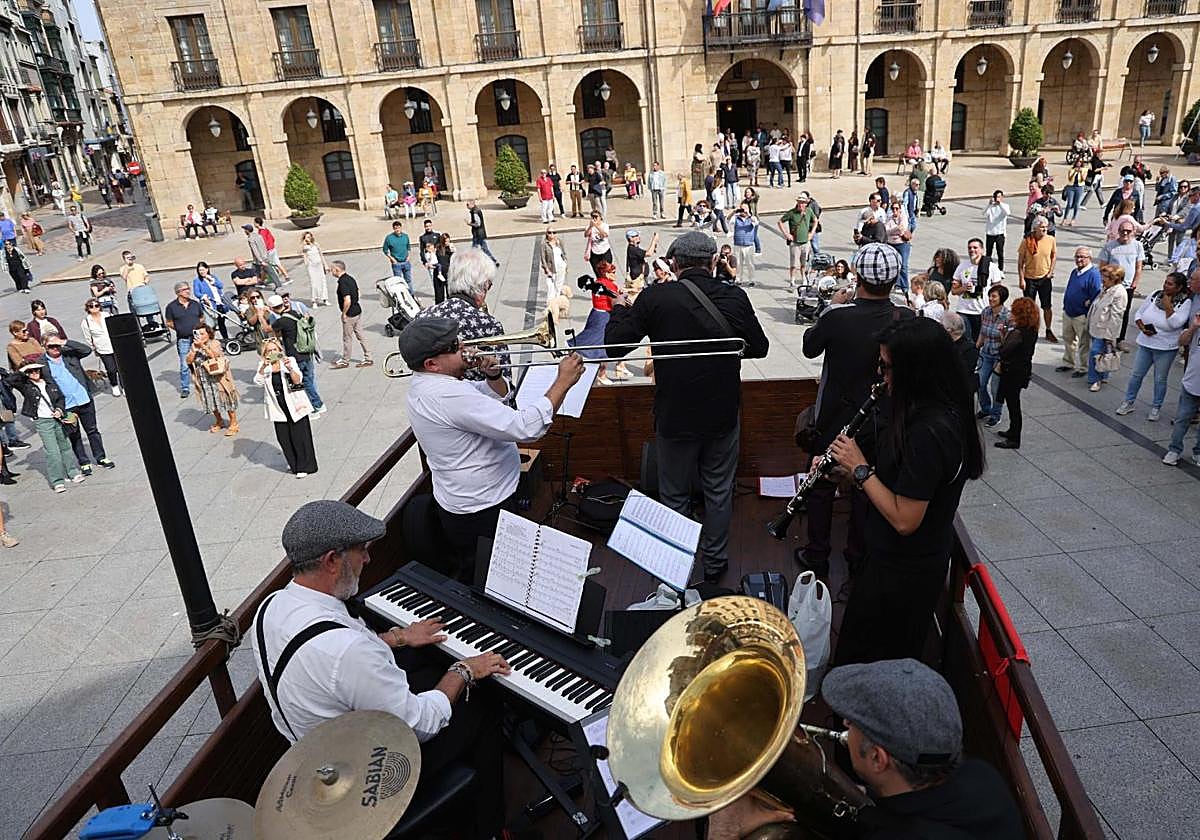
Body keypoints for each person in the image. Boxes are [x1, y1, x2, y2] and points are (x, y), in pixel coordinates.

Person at [251, 500, 510, 839]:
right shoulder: (348, 653)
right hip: (366, 772)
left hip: (319, 751)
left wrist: (399, 637)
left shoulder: (272, 607)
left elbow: (336, 655)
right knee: (482, 705)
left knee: (422, 665)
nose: (368, 560)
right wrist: (461, 670)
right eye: (361, 551)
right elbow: (422, 723)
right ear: (332, 561)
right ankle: (491, 829)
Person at [606, 231, 770, 582]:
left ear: (675, 264)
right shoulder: (734, 296)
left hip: (674, 417)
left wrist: (620, 308)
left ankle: (674, 568)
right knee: (719, 490)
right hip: (722, 415)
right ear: (713, 262)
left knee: (675, 495)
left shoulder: (655, 298)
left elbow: (615, 349)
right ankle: (714, 564)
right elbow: (760, 348)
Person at [709, 658, 1020, 840]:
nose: (846, 723)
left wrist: (722, 834)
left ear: (877, 758)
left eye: (854, 724)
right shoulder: (981, 777)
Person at [829, 317, 984, 662]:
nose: (881, 377)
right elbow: (894, 483)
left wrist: (859, 467)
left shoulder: (930, 432)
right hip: (892, 561)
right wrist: (849, 476)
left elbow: (904, 518)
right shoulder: (924, 412)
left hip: (903, 573)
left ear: (916, 372)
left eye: (886, 367)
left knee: (869, 661)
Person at [402, 317, 583, 576]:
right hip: (483, 508)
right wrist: (563, 382)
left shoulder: (430, 383)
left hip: (474, 501)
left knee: (490, 570)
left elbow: (485, 396)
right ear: (432, 364)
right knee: (493, 576)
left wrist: (493, 375)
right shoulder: (446, 394)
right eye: (454, 346)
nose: (464, 346)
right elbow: (526, 428)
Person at [1115, 271, 1193, 421]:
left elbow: (1175, 324)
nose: (1165, 286)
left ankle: (1156, 407)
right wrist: (1143, 327)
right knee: (1136, 375)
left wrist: (1168, 306)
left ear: (1179, 287)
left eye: (1170, 284)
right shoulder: (1155, 295)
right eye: (1165, 282)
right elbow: (1139, 314)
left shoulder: (1185, 302)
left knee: (1160, 379)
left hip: (1166, 347)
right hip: (1146, 343)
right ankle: (1128, 401)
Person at [39, 333, 115, 473]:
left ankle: (101, 457)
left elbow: (86, 350)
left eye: (57, 345)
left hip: (83, 398)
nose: (56, 348)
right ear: (44, 346)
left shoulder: (69, 354)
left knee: (92, 430)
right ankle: (84, 461)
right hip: (66, 404)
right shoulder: (42, 363)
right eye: (51, 346)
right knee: (74, 434)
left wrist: (64, 341)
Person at [9, 362, 84, 492]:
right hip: (43, 421)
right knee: (52, 452)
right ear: (26, 373)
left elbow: (60, 398)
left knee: (65, 446)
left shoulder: (49, 382)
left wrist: (60, 410)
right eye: (31, 371)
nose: (35, 373)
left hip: (58, 419)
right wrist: (22, 370)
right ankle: (57, 481)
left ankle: (72, 472)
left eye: (37, 370)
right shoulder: (26, 386)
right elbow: (10, 380)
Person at [255, 337, 318, 477]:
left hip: (294, 403)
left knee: (299, 435)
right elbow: (257, 381)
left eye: (274, 350)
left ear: (280, 350)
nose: (272, 352)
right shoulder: (264, 366)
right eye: (269, 351)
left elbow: (298, 380)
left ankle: (304, 466)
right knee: (283, 437)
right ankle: (294, 463)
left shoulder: (290, 361)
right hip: (277, 405)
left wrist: (289, 367)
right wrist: (263, 367)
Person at [991, 297, 1039, 450]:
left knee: (1013, 404)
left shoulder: (1018, 333)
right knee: (1013, 402)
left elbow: (1004, 350)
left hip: (1013, 372)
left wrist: (1003, 336)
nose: (1011, 313)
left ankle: (1014, 438)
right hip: (1022, 370)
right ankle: (1012, 431)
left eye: (1014, 311)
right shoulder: (1031, 330)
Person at [1163, 287, 1200, 465]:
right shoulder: (1197, 323)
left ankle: (1198, 452)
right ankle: (1174, 449)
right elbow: (1182, 341)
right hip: (1192, 380)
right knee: (1183, 418)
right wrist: (1193, 327)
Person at [1055, 247, 1102, 378]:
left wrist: (1088, 304)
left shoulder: (1094, 274)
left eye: (1082, 257)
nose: (1079, 259)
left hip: (1081, 315)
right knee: (1068, 339)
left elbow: (1097, 294)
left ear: (1089, 258)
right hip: (1068, 312)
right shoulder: (1074, 272)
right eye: (1077, 256)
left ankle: (1083, 367)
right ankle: (1068, 362)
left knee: (1083, 343)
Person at [186, 324, 239, 435]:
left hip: (218, 377)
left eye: (203, 333)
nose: (200, 336)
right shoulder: (194, 345)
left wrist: (204, 347)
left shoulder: (215, 343)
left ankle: (234, 423)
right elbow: (189, 361)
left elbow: (216, 356)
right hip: (204, 378)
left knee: (225, 399)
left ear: (209, 334)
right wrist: (194, 350)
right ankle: (219, 420)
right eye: (198, 334)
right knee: (211, 400)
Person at [1097, 218, 1144, 346]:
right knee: (1108, 311)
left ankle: (1120, 339)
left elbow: (1139, 266)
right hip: (1112, 286)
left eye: (1128, 231)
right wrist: (1105, 282)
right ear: (1118, 231)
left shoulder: (1138, 246)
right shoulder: (1110, 246)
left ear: (1133, 232)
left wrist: (1135, 283)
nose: (1125, 233)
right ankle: (1106, 337)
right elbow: (1102, 266)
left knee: (1124, 312)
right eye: (1123, 231)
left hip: (1128, 287)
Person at [1086, 264, 1130, 393]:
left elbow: (1116, 317)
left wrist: (1110, 337)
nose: (1102, 279)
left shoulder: (1119, 293)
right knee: (1104, 354)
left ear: (1115, 278)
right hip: (1097, 328)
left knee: (1096, 354)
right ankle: (1104, 376)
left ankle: (1095, 380)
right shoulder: (1106, 288)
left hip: (1105, 331)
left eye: (1105, 277)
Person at [1016, 217, 1058, 342]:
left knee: (1047, 306)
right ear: (1035, 228)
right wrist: (1021, 279)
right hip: (1030, 279)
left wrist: (1050, 272)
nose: (1045, 229)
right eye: (1042, 227)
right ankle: (1030, 329)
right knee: (1029, 307)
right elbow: (1020, 262)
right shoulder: (1026, 241)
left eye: (1046, 227)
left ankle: (1048, 330)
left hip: (1045, 279)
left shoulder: (1051, 239)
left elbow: (1053, 256)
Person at [975, 285, 1011, 427]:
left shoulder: (1007, 316)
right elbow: (983, 333)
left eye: (994, 296)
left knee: (996, 388)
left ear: (1001, 298)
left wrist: (1002, 333)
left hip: (999, 357)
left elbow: (1008, 341)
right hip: (986, 354)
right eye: (990, 296)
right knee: (980, 383)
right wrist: (976, 347)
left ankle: (996, 414)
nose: (991, 299)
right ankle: (985, 408)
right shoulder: (986, 312)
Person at [164, 281, 205, 398]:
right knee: (184, 364)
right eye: (185, 289)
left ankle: (202, 383)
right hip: (183, 339)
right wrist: (180, 329)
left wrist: (198, 327)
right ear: (178, 293)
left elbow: (201, 317)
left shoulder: (195, 304)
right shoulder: (171, 307)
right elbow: (169, 322)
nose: (188, 291)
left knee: (201, 361)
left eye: (188, 289)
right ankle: (185, 387)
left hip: (197, 338)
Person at [952, 238, 996, 341]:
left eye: (975, 247)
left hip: (982, 311)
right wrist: (963, 288)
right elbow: (954, 291)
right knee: (965, 341)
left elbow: (997, 290)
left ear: (982, 250)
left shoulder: (991, 267)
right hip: (964, 311)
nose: (972, 250)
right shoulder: (962, 267)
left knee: (980, 342)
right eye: (970, 248)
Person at [329, 261, 371, 369]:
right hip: (357, 310)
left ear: (337, 270)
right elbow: (357, 292)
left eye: (332, 269)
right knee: (360, 335)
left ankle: (345, 360)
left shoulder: (343, 283)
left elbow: (347, 300)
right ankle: (368, 357)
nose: (331, 271)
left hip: (350, 314)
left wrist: (344, 314)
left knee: (347, 338)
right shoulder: (351, 278)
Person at [80, 298, 121, 396]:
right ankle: (114, 385)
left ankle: (123, 386)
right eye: (91, 306)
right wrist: (94, 348)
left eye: (96, 305)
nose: (94, 308)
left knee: (120, 367)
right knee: (111, 369)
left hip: (115, 345)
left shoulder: (107, 315)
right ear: (88, 308)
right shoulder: (86, 322)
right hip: (102, 348)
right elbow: (88, 337)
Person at [778, 195, 817, 288]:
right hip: (795, 243)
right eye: (799, 202)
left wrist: (812, 233)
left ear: (806, 204)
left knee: (804, 263)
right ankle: (792, 281)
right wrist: (786, 234)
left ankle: (804, 279)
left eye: (803, 203)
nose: (801, 204)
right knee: (794, 264)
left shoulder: (809, 211)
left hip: (805, 242)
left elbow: (815, 220)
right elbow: (780, 221)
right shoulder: (792, 213)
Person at [191, 261, 229, 341]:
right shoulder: (197, 281)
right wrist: (203, 296)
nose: (202, 272)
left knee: (221, 323)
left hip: (219, 303)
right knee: (211, 324)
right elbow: (196, 292)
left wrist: (213, 281)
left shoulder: (212, 277)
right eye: (200, 270)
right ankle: (211, 340)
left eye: (203, 270)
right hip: (209, 305)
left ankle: (226, 339)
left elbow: (221, 286)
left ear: (207, 269)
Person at [382, 220, 413, 294]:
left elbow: (408, 247)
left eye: (399, 228)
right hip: (397, 263)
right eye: (396, 228)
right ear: (393, 229)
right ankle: (402, 295)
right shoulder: (389, 238)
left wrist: (408, 256)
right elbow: (385, 250)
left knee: (408, 280)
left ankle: (410, 294)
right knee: (398, 281)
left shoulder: (405, 236)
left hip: (406, 261)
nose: (397, 230)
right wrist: (391, 258)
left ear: (401, 227)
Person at [982, 190, 1010, 270]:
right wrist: (989, 205)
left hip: (1000, 234)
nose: (997, 199)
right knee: (988, 253)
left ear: (1002, 197)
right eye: (996, 197)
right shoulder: (991, 207)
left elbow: (1007, 212)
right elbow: (983, 213)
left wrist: (1000, 204)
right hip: (990, 233)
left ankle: (1000, 269)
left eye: (999, 197)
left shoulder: (1005, 206)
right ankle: (987, 268)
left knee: (1000, 253)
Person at [300, 231, 330, 307]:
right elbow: (303, 255)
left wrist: (325, 265)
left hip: (319, 265)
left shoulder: (316, 245)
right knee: (314, 283)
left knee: (322, 282)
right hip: (311, 267)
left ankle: (325, 299)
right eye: (306, 237)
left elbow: (321, 255)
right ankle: (314, 301)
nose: (308, 239)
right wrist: (303, 245)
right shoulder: (305, 247)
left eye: (309, 237)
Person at [255, 217, 289, 282]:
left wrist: (263, 252)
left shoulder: (261, 232)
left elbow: (263, 243)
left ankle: (263, 281)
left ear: (257, 223)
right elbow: (272, 238)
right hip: (273, 248)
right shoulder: (266, 229)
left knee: (265, 265)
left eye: (255, 223)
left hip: (268, 251)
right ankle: (287, 276)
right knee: (278, 263)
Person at [466, 200, 499, 266]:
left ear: (472, 204)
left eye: (468, 204)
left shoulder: (475, 212)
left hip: (478, 234)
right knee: (482, 248)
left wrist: (469, 224)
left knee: (477, 249)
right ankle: (493, 260)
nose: (467, 206)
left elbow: (477, 224)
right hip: (479, 233)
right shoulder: (475, 210)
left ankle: (473, 263)